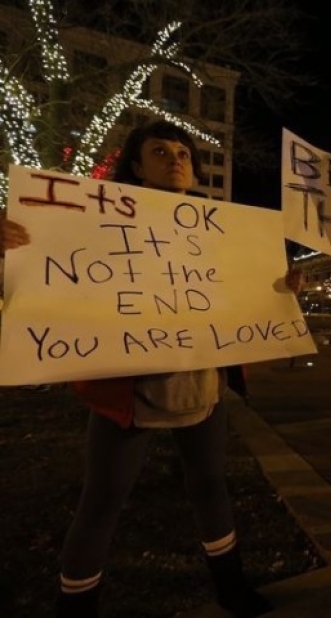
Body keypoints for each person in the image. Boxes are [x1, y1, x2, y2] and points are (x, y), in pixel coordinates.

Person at [2, 120, 297, 617]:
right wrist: (11, 250)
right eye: (160, 151)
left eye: (184, 152)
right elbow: (45, 277)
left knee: (210, 486)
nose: (177, 158)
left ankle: (231, 587)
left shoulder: (220, 229)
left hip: (200, 388)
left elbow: (241, 295)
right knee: (101, 503)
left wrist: (280, 288)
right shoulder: (92, 223)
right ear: (137, 167)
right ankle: (74, 608)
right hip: (128, 395)